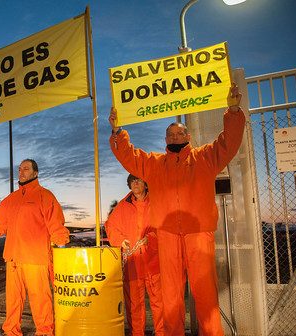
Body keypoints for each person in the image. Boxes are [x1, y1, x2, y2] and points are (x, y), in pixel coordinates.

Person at [108, 83, 245, 336]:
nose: (174, 138)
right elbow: (128, 156)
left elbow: (229, 142)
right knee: (171, 297)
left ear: (188, 137)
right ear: (165, 140)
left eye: (179, 134)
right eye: (170, 135)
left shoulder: (205, 157)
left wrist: (233, 111)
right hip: (167, 236)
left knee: (205, 295)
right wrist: (117, 131)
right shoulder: (155, 165)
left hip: (198, 233)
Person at [0, 159, 70, 336]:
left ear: (35, 173)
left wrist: (63, 254)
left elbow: (56, 225)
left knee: (40, 297)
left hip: (36, 258)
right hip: (13, 258)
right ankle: (11, 330)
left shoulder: (45, 195)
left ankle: (44, 331)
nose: (21, 172)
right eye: (20, 169)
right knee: (13, 299)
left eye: (26, 169)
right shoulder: (10, 200)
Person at [105, 174, 164, 336]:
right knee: (134, 305)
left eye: (138, 180)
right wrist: (120, 240)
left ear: (146, 184)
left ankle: (162, 332)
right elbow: (110, 226)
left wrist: (150, 238)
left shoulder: (158, 202)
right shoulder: (122, 206)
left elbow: (165, 225)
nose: (135, 183)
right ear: (129, 185)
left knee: (160, 302)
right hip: (132, 263)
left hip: (154, 261)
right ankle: (137, 333)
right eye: (132, 181)